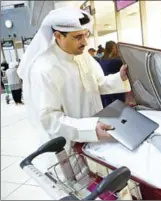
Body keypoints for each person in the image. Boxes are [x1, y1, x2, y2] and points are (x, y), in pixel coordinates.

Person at [17, 7, 131, 168]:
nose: (85, 42)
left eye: (86, 35)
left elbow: (97, 84)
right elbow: (50, 119)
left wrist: (120, 77)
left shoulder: (82, 55)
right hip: (69, 148)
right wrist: (90, 129)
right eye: (78, 37)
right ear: (58, 36)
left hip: (96, 136)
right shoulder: (44, 69)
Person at [98, 41, 126, 107]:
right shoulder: (117, 61)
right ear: (112, 48)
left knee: (107, 107)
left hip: (105, 87)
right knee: (120, 107)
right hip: (117, 87)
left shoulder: (101, 60)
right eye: (116, 47)